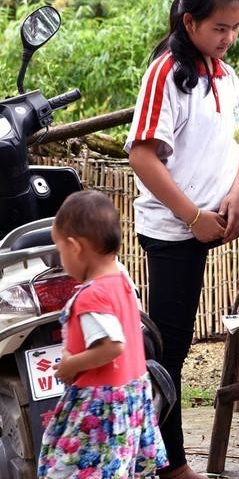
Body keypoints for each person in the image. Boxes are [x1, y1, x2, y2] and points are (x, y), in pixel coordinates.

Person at [124, 0, 239, 479]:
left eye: (236, 27)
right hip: (177, 229)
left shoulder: (226, 76)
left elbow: (234, 144)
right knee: (170, 353)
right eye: (220, 28)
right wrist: (194, 216)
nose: (230, 37)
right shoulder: (165, 73)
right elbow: (142, 157)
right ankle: (172, 466)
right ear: (190, 21)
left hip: (223, 212)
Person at [37, 190, 167, 479]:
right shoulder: (120, 279)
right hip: (129, 396)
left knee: (74, 470)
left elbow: (111, 346)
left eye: (60, 250)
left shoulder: (92, 296)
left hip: (101, 405)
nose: (61, 258)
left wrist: (72, 364)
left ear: (75, 247)